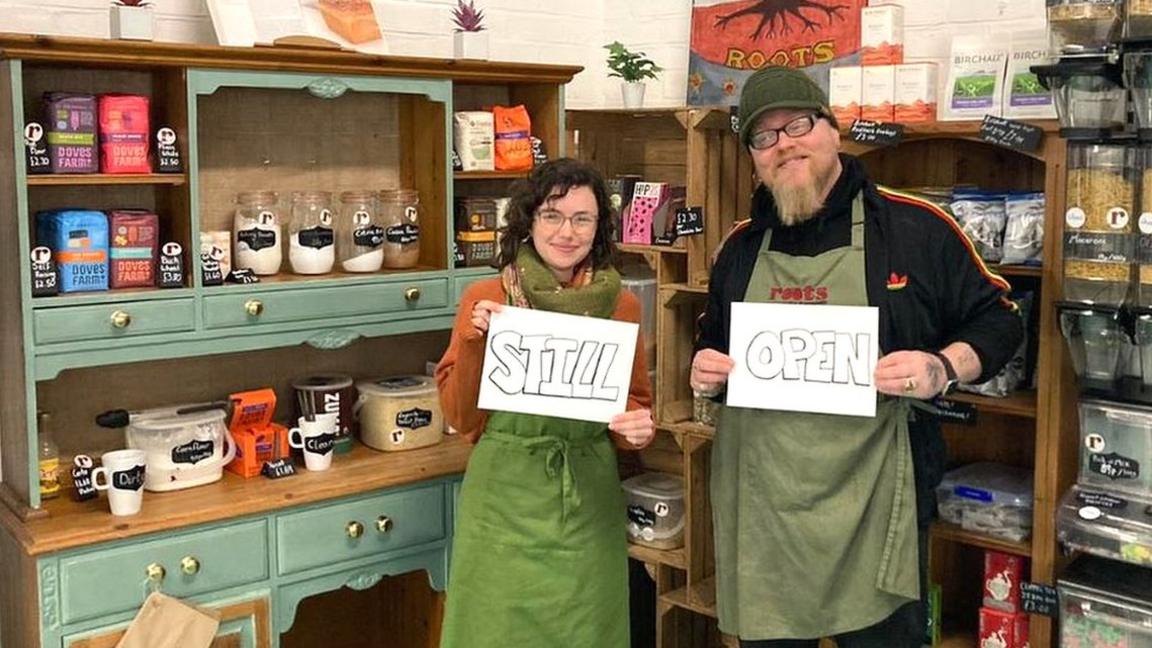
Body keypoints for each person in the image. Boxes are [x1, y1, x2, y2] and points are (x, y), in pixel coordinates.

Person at [690, 66, 1023, 647]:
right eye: (763, 137)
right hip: (764, 514)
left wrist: (941, 367)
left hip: (876, 507)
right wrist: (704, 371)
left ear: (832, 130)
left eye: (797, 124)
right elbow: (712, 344)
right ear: (752, 159)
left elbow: (1001, 319)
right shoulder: (740, 247)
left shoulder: (917, 228)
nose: (784, 145)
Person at [436, 158, 656, 648]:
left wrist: (637, 428)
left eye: (583, 219)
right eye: (552, 216)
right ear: (529, 221)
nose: (567, 232)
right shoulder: (488, 297)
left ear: (599, 228)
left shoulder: (622, 305)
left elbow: (633, 405)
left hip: (587, 502)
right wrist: (474, 342)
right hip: (502, 502)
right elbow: (460, 416)